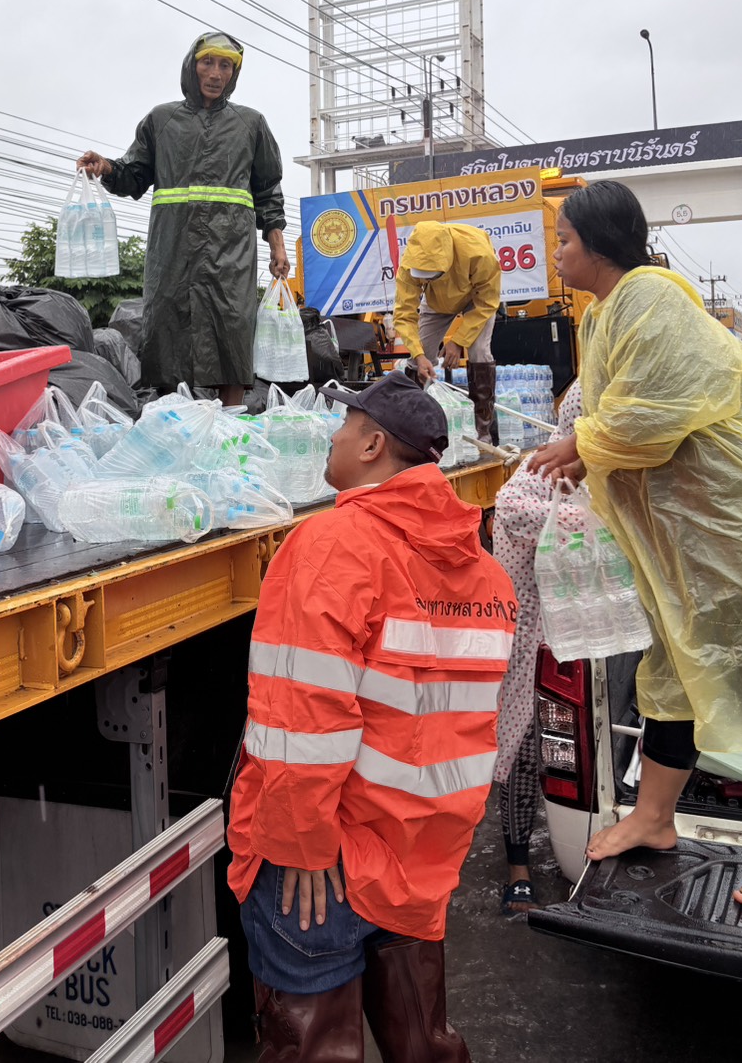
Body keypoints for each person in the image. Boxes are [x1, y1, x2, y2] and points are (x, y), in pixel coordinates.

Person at [529, 180, 742, 916]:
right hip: (694, 542)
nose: (557, 252)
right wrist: (587, 452)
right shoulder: (607, 313)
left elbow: (655, 415)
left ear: (599, 245)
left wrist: (581, 444)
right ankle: (655, 817)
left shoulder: (650, 299)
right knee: (675, 676)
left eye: (564, 240)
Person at [227, 371, 515, 1061]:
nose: (332, 435)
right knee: (423, 1041)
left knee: (315, 1046)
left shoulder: (332, 544)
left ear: (373, 445)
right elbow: (457, 726)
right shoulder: (487, 576)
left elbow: (302, 715)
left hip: (326, 863)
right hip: (419, 857)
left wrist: (299, 843)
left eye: (344, 424)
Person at [79, 32, 288, 406]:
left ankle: (230, 425)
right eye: (208, 62)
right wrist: (106, 167)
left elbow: (268, 190)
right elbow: (133, 174)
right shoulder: (162, 120)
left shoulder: (251, 124)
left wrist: (278, 246)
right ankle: (173, 423)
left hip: (231, 256)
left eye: (225, 66)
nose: (215, 73)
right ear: (192, 66)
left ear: (234, 74)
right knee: (168, 334)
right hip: (172, 253)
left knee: (231, 334)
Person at [491, 379, 582, 915]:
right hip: (533, 649)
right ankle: (518, 869)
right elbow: (519, 515)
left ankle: (584, 850)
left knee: (571, 760)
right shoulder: (537, 473)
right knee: (524, 757)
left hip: (579, 645)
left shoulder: (598, 477)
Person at [393, 221, 501, 440]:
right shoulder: (408, 265)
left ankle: (482, 428)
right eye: (422, 276)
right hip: (436, 302)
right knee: (418, 356)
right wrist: (419, 355)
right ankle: (412, 426)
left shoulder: (479, 253)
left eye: (431, 275)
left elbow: (487, 302)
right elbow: (404, 314)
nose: (424, 279)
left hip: (476, 299)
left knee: (480, 351)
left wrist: (459, 341)